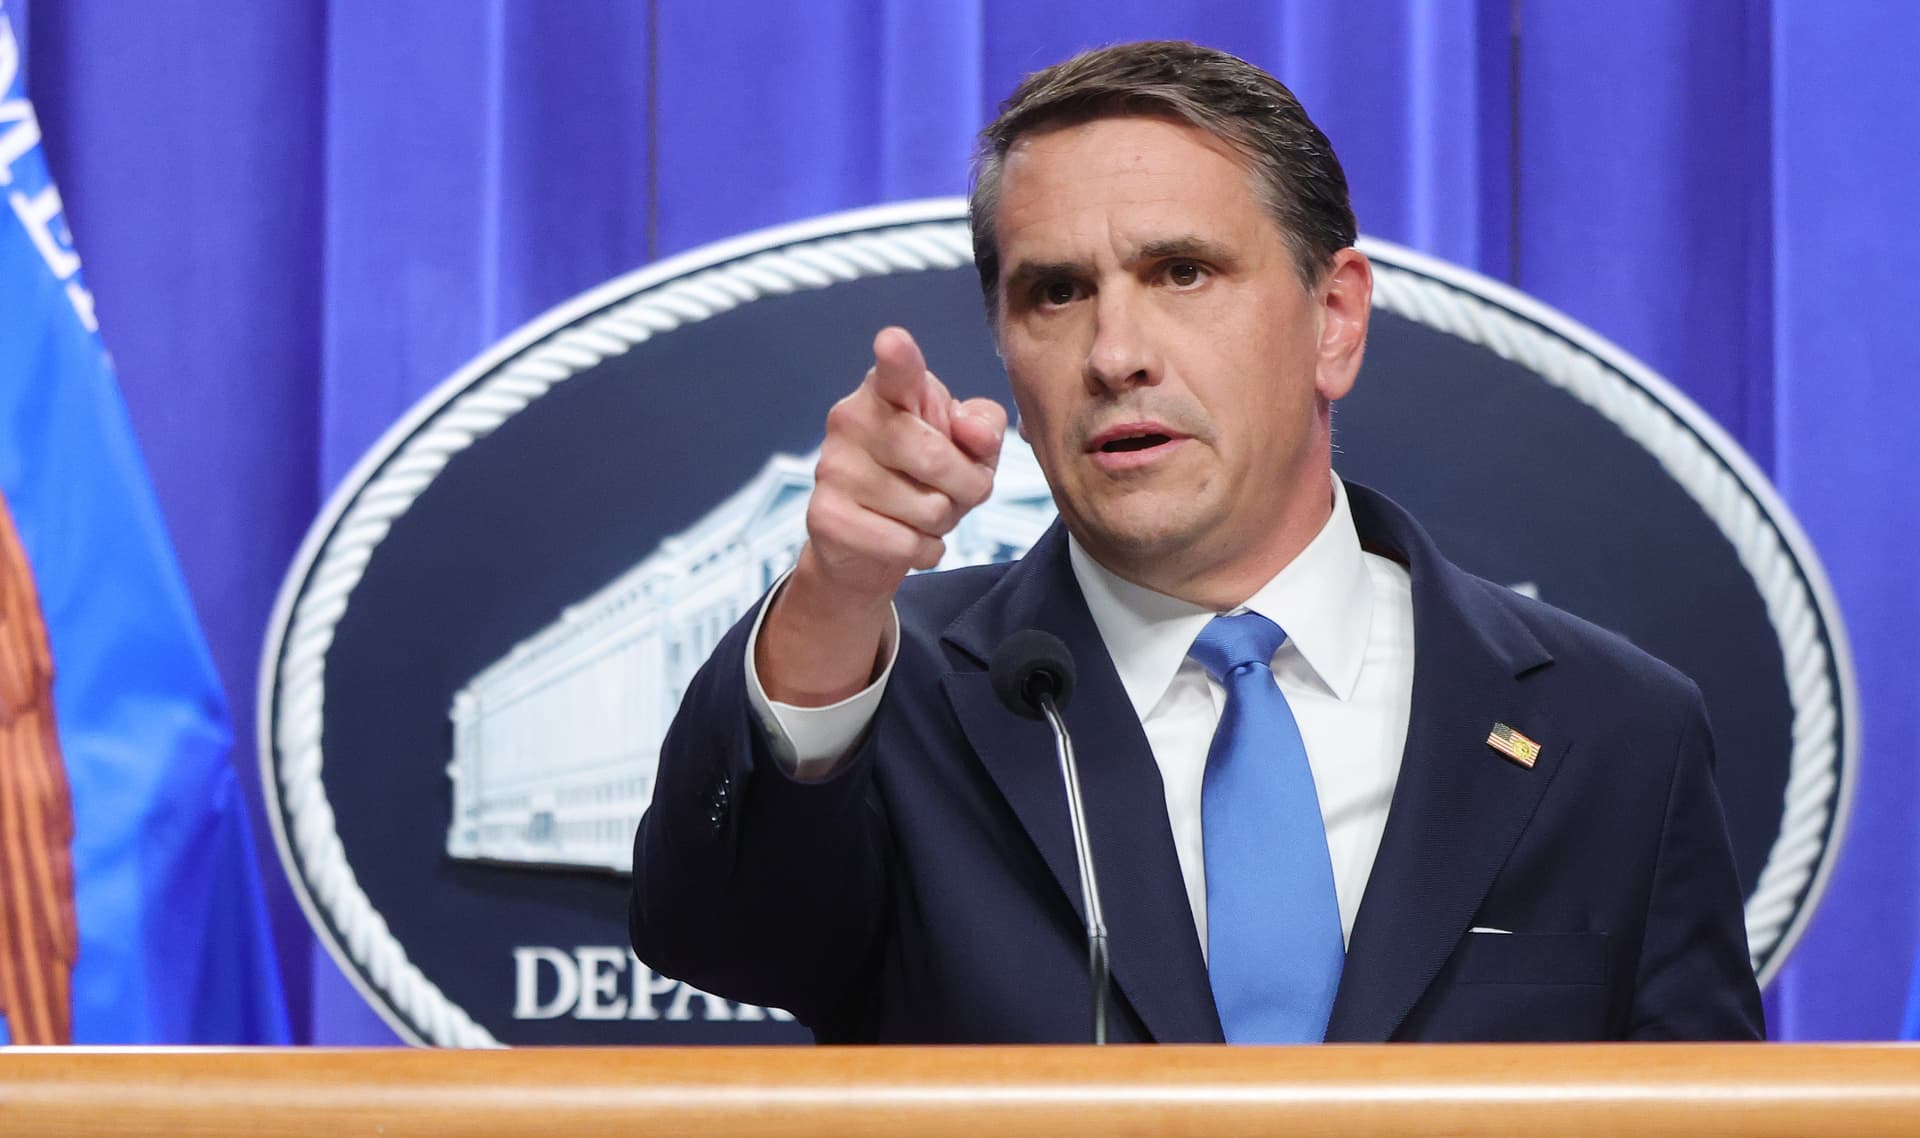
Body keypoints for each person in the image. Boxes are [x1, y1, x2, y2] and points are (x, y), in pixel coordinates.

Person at [629, 40, 1764, 1044]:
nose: (1116, 353)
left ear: (1335, 321)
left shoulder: (1613, 729)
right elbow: (716, 933)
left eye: (1183, 273)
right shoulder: (904, 693)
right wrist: (834, 596)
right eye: (1057, 292)